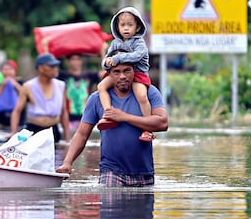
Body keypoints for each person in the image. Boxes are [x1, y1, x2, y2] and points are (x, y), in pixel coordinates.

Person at [56, 57, 168, 187]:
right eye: (116, 72)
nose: (122, 76)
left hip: (144, 172)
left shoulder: (149, 92)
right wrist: (67, 162)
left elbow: (162, 123)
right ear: (108, 74)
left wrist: (124, 117)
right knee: (110, 204)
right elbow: (82, 134)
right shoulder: (96, 99)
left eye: (127, 71)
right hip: (111, 172)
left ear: (135, 71)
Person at [97, 6, 155, 142]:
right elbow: (106, 59)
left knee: (141, 95)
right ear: (117, 27)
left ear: (138, 27)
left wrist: (117, 59)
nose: (126, 28)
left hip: (138, 74)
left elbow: (136, 56)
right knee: (101, 87)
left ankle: (148, 128)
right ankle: (108, 114)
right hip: (119, 74)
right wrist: (106, 63)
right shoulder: (115, 43)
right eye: (123, 25)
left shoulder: (139, 42)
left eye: (130, 25)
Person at [9, 53, 70, 143]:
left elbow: (64, 113)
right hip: (33, 130)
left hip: (53, 130)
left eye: (56, 66)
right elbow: (17, 111)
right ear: (41, 68)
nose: (55, 69)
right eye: (51, 66)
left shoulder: (61, 86)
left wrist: (67, 139)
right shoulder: (28, 86)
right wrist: (13, 133)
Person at [58, 54, 102, 131]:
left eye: (78, 59)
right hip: (68, 119)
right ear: (68, 61)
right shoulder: (62, 76)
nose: (76, 62)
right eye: (73, 59)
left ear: (81, 61)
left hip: (86, 118)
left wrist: (102, 52)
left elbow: (104, 73)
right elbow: (48, 68)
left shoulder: (89, 75)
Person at [0, 60, 25, 127]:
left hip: (19, 122)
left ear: (15, 71)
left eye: (10, 69)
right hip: (1, 122)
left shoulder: (21, 83)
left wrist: (15, 84)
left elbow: (25, 96)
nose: (7, 72)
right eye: (5, 69)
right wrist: (2, 85)